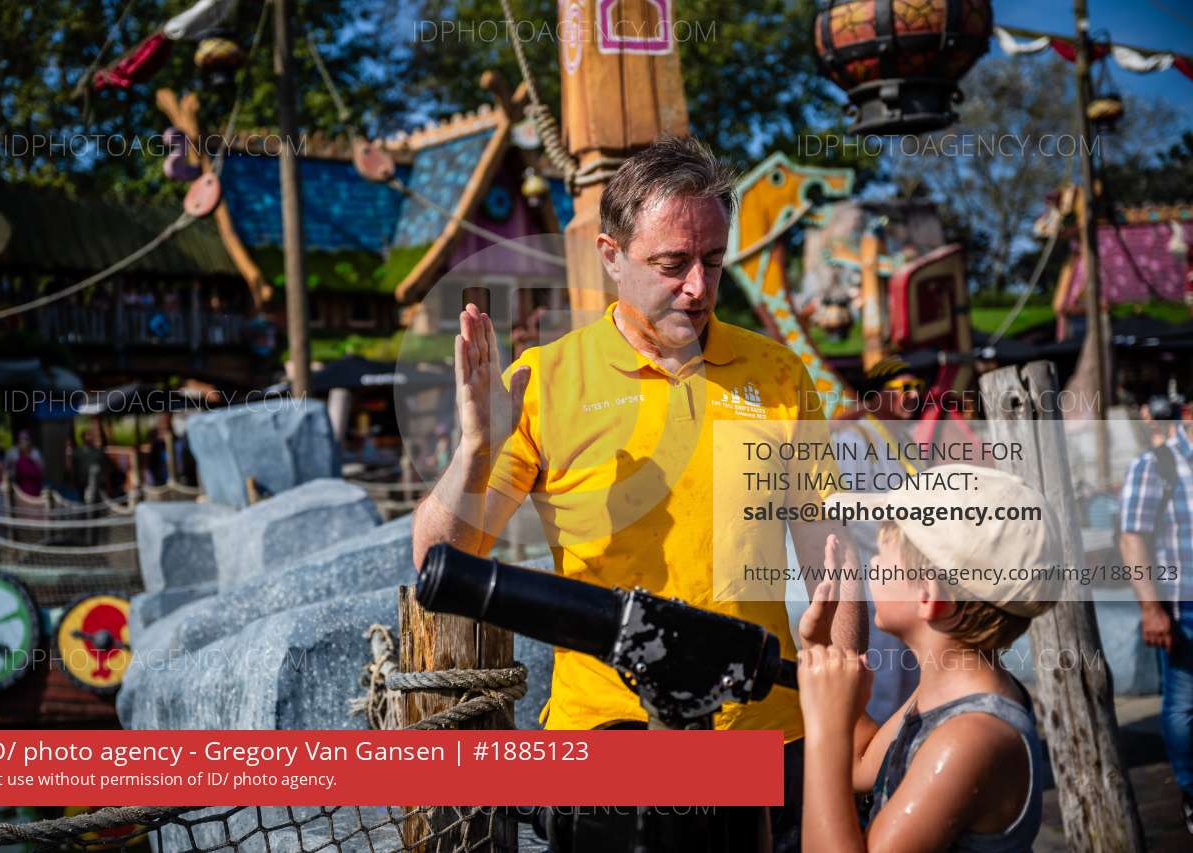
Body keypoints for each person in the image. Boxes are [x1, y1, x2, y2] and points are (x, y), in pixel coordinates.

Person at [411, 135, 864, 850]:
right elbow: (438, 564)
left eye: (713, 260)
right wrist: (475, 452)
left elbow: (832, 562)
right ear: (611, 254)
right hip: (607, 740)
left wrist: (845, 716)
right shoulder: (544, 381)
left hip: (765, 733)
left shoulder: (778, 375)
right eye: (672, 264)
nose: (698, 286)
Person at [798, 464, 1059, 851]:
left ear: (930, 596)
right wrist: (822, 652)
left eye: (882, 555)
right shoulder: (946, 694)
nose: (872, 564)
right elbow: (861, 763)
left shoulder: (970, 739)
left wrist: (824, 729)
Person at [829, 369, 926, 722]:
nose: (913, 396)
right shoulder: (854, 439)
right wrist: (899, 544)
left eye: (918, 387)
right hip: (874, 578)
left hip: (911, 577)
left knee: (911, 679)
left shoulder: (905, 441)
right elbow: (846, 510)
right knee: (881, 683)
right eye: (903, 388)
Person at [1119, 394, 1193, 834]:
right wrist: (1150, 607)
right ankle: (1190, 790)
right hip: (1183, 607)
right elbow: (1133, 539)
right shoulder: (1156, 465)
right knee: (1184, 705)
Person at [5, 429, 45, 497]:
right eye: (21, 438)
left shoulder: (35, 453)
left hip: (34, 489)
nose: (23, 441)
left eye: (25, 439)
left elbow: (41, 470)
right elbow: (6, 468)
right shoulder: (12, 452)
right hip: (19, 489)